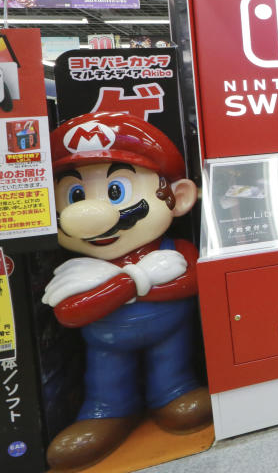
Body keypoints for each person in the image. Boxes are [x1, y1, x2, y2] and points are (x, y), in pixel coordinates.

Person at [42, 112, 212, 470]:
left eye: (116, 190)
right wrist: (132, 281)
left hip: (171, 337)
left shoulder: (172, 251)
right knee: (107, 378)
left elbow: (193, 280)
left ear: (178, 197)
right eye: (74, 194)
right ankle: (106, 413)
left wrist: (123, 286)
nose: (92, 212)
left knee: (172, 367)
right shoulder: (77, 271)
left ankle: (173, 393)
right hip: (106, 347)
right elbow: (68, 312)